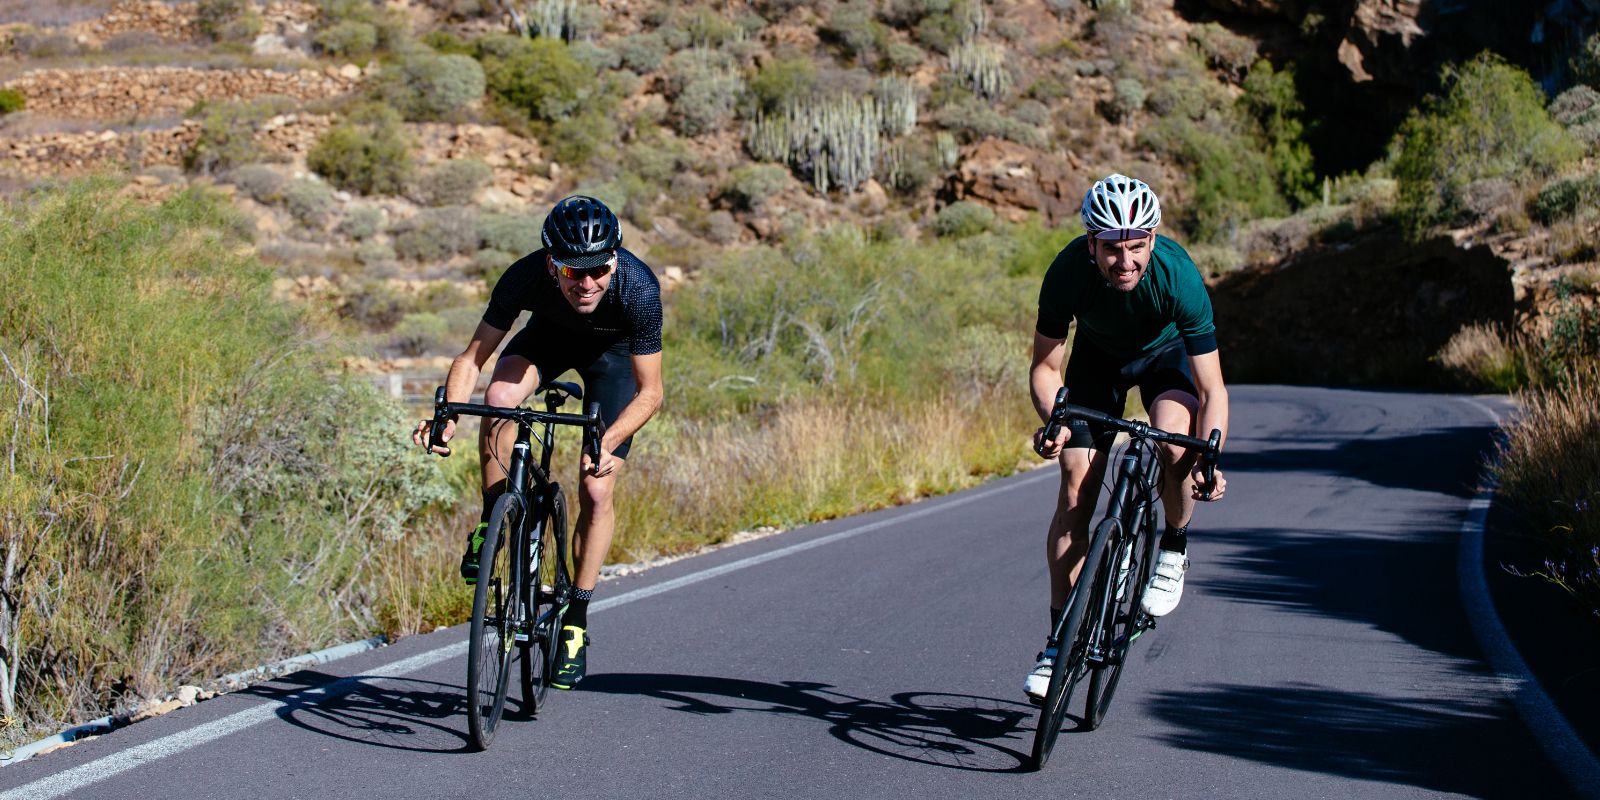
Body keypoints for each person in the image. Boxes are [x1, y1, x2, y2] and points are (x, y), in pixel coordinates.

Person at [413, 195, 663, 690]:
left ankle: (576, 619)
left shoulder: (638, 288)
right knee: (501, 395)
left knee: (596, 488)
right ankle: (494, 518)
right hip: (547, 339)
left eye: (599, 270)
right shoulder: (524, 275)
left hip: (612, 360)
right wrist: (448, 418)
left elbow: (651, 392)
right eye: (573, 272)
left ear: (615, 259)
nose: (587, 284)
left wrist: (606, 442)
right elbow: (471, 360)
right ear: (552, 264)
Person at [1024, 174, 1229, 702]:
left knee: (1174, 444)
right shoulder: (1068, 272)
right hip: (1098, 362)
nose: (1126, 261)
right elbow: (1045, 370)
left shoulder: (1178, 276)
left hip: (1166, 358)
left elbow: (1211, 387)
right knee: (1074, 488)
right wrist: (1056, 421)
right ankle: (1057, 643)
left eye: (1137, 246)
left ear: (1153, 239)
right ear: (1091, 243)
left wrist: (1212, 455)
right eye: (1112, 249)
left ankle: (1174, 546)